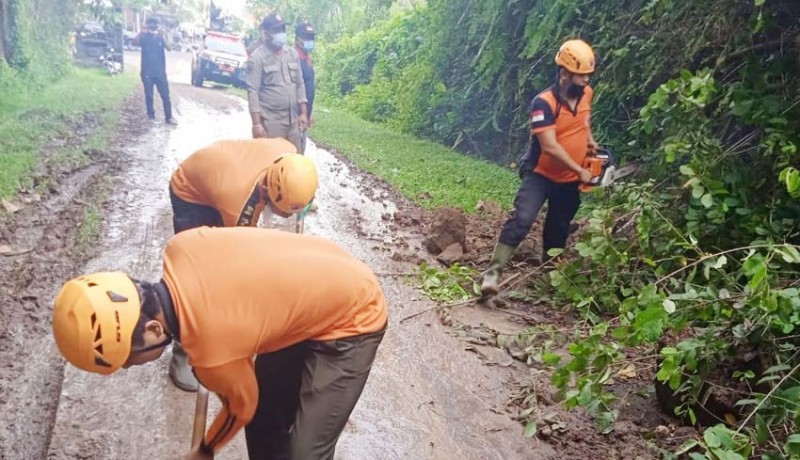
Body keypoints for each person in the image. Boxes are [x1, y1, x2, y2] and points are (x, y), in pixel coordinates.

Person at [51, 226, 388, 460]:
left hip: (354, 313)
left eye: (126, 358)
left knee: (305, 451)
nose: (128, 366)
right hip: (321, 278)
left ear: (154, 330)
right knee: (268, 415)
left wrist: (206, 450)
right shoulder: (181, 246)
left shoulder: (211, 354)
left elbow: (241, 407)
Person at [167, 138, 319, 391]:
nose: (285, 217)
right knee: (199, 277)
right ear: (266, 192)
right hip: (191, 194)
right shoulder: (237, 202)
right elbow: (239, 262)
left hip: (219, 175)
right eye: (282, 211)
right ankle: (182, 354)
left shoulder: (292, 157)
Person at [480, 39, 599, 297]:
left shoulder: (587, 94)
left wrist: (590, 143)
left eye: (587, 77)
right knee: (522, 219)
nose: (585, 83)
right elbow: (551, 147)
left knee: (558, 229)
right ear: (564, 73)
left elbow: (584, 120)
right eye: (580, 77)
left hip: (568, 180)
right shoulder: (543, 103)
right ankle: (492, 273)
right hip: (541, 175)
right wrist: (580, 171)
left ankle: (548, 281)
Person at [246, 12, 309, 153]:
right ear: (266, 33)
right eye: (276, 30)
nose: (281, 33)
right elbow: (253, 92)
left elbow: (300, 84)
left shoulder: (292, 54)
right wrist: (256, 125)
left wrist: (303, 113)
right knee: (271, 165)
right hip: (270, 123)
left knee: (295, 165)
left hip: (293, 122)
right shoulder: (257, 58)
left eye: (283, 29)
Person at [133, 18, 176, 124]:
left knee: (165, 95)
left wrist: (163, 36)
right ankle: (150, 115)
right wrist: (142, 32)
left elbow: (169, 48)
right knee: (149, 95)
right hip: (147, 71)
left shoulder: (160, 37)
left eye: (154, 24)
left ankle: (169, 116)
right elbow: (134, 43)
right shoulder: (143, 36)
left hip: (160, 72)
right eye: (150, 24)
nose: (152, 26)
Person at [295, 20, 316, 153]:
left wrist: (309, 112)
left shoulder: (307, 59)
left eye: (312, 38)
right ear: (298, 39)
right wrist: (301, 113)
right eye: (307, 38)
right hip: (294, 116)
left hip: (304, 115)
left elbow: (309, 88)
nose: (310, 41)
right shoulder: (292, 58)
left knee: (300, 152)